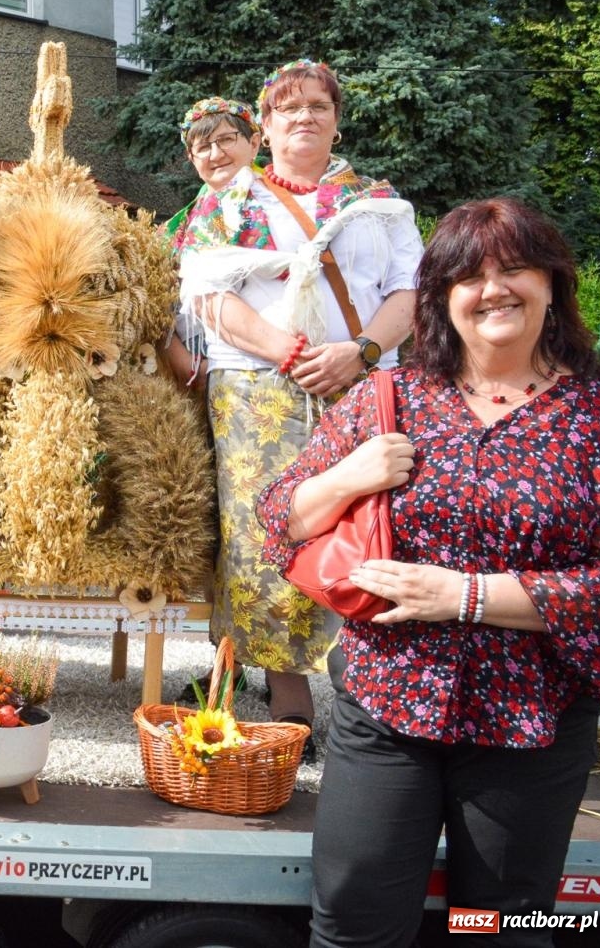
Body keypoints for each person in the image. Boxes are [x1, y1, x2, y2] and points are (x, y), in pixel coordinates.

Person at [258, 198, 600, 947]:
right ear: (442, 298)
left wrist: (466, 597)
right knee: (356, 927)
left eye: (514, 269)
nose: (493, 289)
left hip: (531, 725)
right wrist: (349, 475)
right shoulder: (390, 400)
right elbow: (279, 518)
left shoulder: (598, 421)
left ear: (552, 284)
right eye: (470, 276)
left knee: (500, 933)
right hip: (387, 709)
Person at [175, 60, 422, 741]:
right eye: (289, 108)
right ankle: (291, 707)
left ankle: (368, 692)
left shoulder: (378, 200)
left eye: (318, 104)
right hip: (258, 391)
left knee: (367, 525)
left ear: (337, 118)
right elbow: (207, 296)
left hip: (363, 385)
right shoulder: (229, 202)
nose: (305, 116)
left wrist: (361, 350)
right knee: (264, 532)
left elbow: (411, 289)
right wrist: (285, 352)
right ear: (269, 125)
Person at [160, 96, 263, 388]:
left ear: (254, 143)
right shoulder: (178, 227)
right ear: (192, 159)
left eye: (226, 140)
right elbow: (156, 300)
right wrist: (183, 362)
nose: (215, 154)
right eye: (203, 147)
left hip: (272, 364)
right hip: (201, 375)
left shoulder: (283, 205)